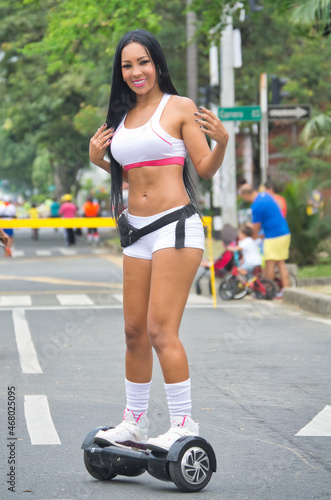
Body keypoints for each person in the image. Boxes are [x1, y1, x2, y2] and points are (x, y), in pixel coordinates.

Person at [88, 29, 229, 451]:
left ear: (157, 63)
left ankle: (184, 423)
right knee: (133, 331)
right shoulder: (120, 118)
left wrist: (222, 142)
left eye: (143, 62)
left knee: (160, 330)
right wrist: (99, 160)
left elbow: (203, 167)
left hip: (176, 226)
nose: (136, 72)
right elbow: (133, 176)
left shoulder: (179, 107)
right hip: (136, 232)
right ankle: (134, 423)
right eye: (127, 65)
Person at [239, 183, 291, 294]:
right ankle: (286, 290)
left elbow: (256, 228)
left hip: (274, 236)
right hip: (284, 232)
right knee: (281, 262)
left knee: (269, 263)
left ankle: (268, 290)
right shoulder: (265, 196)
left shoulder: (256, 206)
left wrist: (252, 238)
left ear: (245, 195)